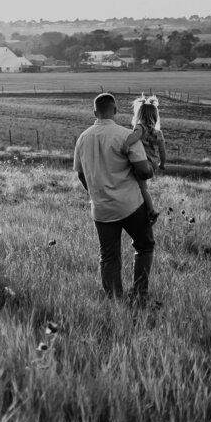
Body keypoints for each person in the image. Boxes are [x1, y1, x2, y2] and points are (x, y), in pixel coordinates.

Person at [73, 92, 156, 306]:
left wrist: (94, 194)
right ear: (115, 110)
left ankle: (114, 301)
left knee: (108, 257)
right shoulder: (124, 135)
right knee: (145, 246)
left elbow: (81, 174)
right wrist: (150, 167)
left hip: (101, 208)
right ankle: (139, 294)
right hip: (130, 205)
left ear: (94, 112)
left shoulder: (83, 138)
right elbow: (143, 172)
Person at [126, 94, 167, 223]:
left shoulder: (140, 127)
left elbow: (136, 136)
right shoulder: (158, 133)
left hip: (143, 162)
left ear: (139, 115)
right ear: (155, 116)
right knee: (143, 187)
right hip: (153, 164)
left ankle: (151, 211)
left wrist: (126, 143)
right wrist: (162, 164)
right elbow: (162, 151)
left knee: (142, 188)